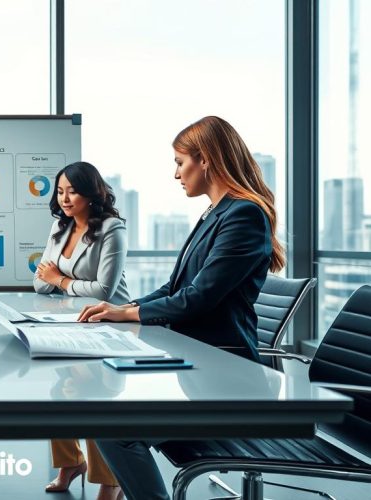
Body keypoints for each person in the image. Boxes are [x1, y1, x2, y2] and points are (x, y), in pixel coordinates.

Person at [80, 116, 285, 500]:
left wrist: (128, 314)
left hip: (227, 379)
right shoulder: (214, 213)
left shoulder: (243, 214)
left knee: (112, 424)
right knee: (107, 409)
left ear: (205, 159)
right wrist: (126, 307)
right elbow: (176, 287)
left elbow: (201, 296)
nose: (176, 174)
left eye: (180, 161)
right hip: (197, 365)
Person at [33, 161, 128, 499]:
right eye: (60, 191)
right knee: (57, 393)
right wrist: (56, 282)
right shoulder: (59, 228)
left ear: (91, 193)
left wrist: (60, 279)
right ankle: (70, 463)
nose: (65, 198)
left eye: (72, 191)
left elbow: (104, 290)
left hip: (111, 323)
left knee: (92, 396)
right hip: (72, 321)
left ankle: (109, 480)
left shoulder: (111, 229)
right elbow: (39, 283)